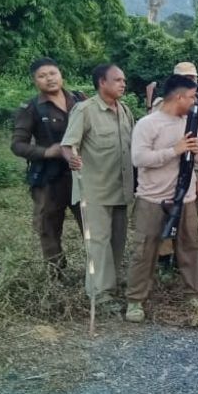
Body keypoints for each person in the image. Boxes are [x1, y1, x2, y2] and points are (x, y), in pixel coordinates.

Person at [124, 75, 198, 323]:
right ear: (179, 96)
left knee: (190, 248)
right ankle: (135, 300)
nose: (195, 101)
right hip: (152, 198)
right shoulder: (148, 124)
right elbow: (139, 159)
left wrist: (195, 152)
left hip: (184, 199)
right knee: (144, 250)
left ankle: (193, 294)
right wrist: (174, 151)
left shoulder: (193, 122)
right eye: (192, 96)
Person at [61, 64, 134, 310]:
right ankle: (99, 295)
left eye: (124, 80)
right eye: (117, 80)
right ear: (102, 82)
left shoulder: (124, 110)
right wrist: (71, 157)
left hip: (121, 188)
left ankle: (110, 288)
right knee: (98, 243)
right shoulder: (85, 110)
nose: (123, 84)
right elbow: (68, 144)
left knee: (117, 242)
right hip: (95, 190)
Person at [11, 58, 85, 276]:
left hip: (80, 174)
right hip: (49, 178)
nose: (49, 79)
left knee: (91, 222)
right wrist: (46, 151)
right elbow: (17, 144)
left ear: (61, 74)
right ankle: (56, 274)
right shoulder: (31, 108)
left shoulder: (79, 100)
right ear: (35, 81)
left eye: (52, 73)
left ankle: (97, 272)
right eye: (42, 76)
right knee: (48, 227)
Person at [146, 62, 198, 280]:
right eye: (185, 77)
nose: (191, 81)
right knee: (167, 216)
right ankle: (164, 261)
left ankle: (184, 263)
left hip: (191, 171)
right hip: (167, 169)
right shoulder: (161, 104)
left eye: (193, 78)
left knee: (188, 221)